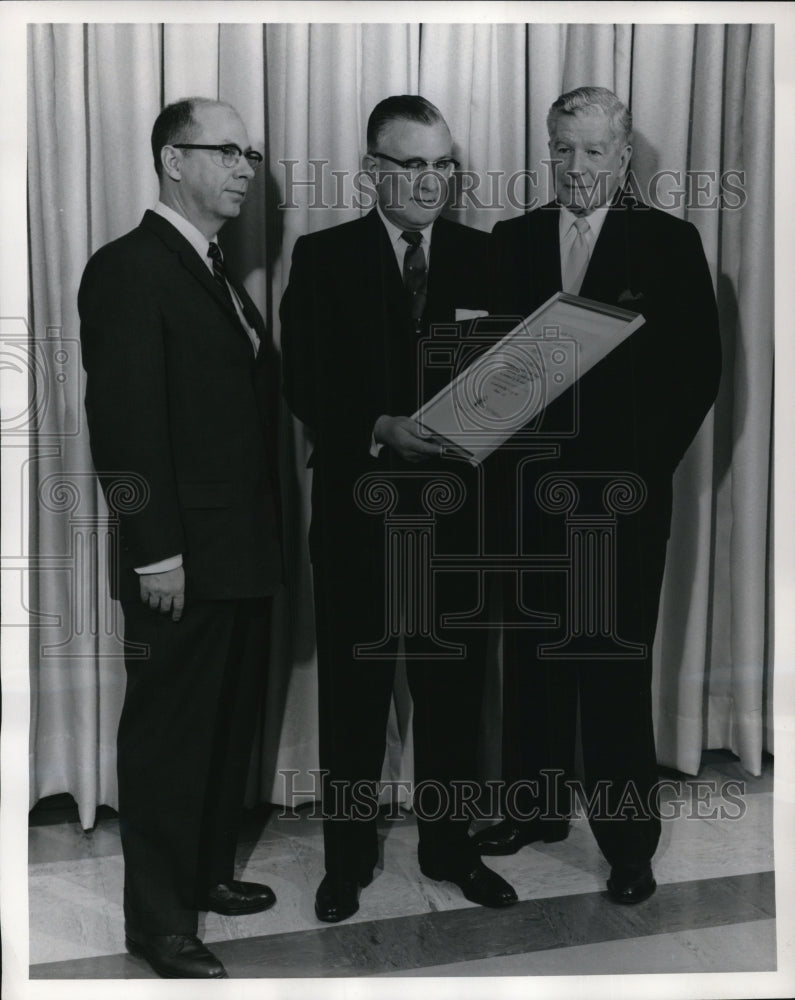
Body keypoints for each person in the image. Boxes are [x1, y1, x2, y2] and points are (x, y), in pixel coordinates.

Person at [475, 86, 722, 904]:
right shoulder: (510, 240)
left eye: (591, 150)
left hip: (620, 503)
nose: (574, 167)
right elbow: (485, 369)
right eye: (561, 149)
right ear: (546, 150)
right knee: (532, 660)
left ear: (621, 156)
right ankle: (533, 810)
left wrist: (635, 473)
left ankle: (627, 846)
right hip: (526, 501)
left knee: (613, 671)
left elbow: (697, 372)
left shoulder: (669, 242)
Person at [281, 94, 517, 923]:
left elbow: (517, 377)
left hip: (459, 521)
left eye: (442, 165)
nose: (429, 182)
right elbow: (300, 375)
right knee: (354, 695)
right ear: (371, 170)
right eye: (411, 164)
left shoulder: (486, 257)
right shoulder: (322, 256)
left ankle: (449, 849)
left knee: (453, 695)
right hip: (358, 514)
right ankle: (346, 861)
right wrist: (376, 427)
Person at [78, 98, 282, 978]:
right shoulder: (129, 268)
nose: (244, 169)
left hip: (238, 554)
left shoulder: (209, 268)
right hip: (181, 561)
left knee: (222, 726)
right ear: (172, 159)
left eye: (249, 155)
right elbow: (124, 426)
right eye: (226, 152)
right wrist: (156, 552)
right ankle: (158, 922)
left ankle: (202, 875)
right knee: (167, 738)